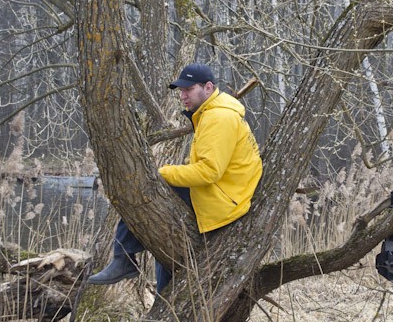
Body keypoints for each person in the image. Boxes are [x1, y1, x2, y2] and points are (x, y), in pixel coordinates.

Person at [87, 62, 263, 292]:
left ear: (208, 88)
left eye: (188, 90)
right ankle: (153, 286)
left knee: (149, 188)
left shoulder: (218, 118)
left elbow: (209, 171)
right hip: (227, 193)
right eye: (181, 90)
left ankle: (124, 258)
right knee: (165, 241)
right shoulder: (214, 113)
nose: (182, 95)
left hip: (224, 201)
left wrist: (163, 173)